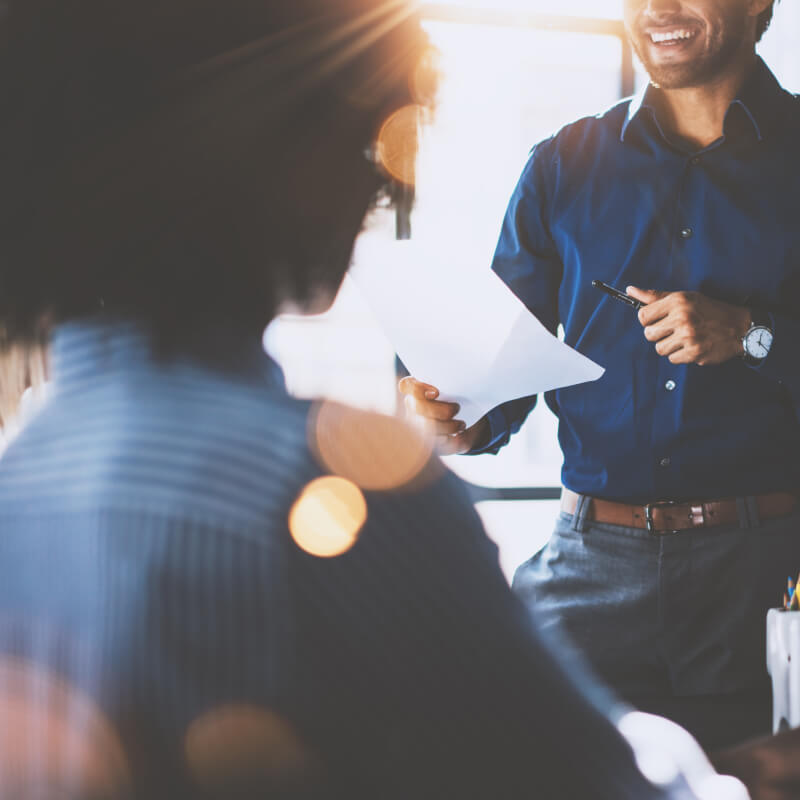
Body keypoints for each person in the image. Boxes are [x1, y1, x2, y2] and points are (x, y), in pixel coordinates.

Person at [0, 0, 752, 797]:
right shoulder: (335, 493)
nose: (382, 179)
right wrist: (710, 774)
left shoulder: (22, 479)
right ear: (262, 150)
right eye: (365, 137)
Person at [401, 0, 800, 750]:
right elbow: (498, 369)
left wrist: (750, 333)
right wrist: (453, 413)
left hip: (766, 577)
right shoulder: (563, 163)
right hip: (585, 565)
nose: (659, 9)